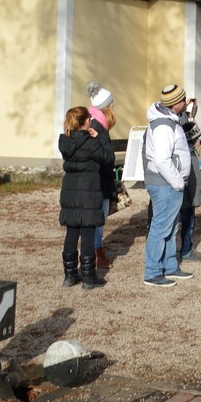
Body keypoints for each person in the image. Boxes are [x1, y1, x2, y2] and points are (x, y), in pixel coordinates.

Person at [142, 84, 195, 287]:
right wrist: (178, 182)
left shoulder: (171, 121)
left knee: (171, 228)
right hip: (166, 184)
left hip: (170, 183)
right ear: (176, 104)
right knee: (161, 227)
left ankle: (170, 267)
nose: (186, 102)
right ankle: (153, 272)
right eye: (183, 99)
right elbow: (163, 160)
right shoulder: (164, 126)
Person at [58, 106, 112, 290]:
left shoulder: (65, 141)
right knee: (88, 233)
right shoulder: (91, 142)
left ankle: (70, 275)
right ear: (86, 121)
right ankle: (89, 277)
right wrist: (100, 137)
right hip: (89, 189)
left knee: (71, 232)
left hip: (70, 190)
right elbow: (108, 157)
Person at [86, 81, 117, 271]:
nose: (113, 106)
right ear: (105, 107)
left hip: (100, 179)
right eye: (111, 103)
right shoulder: (97, 126)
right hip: (98, 181)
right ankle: (96, 252)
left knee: (100, 217)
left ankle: (96, 249)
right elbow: (103, 155)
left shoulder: (98, 123)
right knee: (99, 217)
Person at [176, 101, 201, 263]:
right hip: (188, 198)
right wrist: (197, 199)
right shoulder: (191, 156)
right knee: (188, 224)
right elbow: (194, 180)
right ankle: (186, 250)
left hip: (179, 196)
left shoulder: (181, 151)